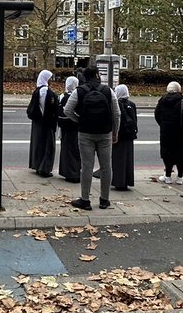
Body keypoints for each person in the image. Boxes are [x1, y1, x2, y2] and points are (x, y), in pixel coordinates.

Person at [63, 65, 119, 210]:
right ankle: (104, 200)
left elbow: (67, 110)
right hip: (105, 133)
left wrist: (78, 120)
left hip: (85, 133)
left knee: (86, 167)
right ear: (97, 75)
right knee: (106, 167)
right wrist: (115, 131)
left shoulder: (79, 91)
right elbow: (117, 113)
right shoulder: (108, 91)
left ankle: (85, 200)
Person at [155, 81, 183, 184]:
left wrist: (163, 125)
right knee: (181, 154)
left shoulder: (162, 100)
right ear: (179, 90)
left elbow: (157, 115)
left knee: (167, 154)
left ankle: (167, 176)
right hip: (181, 133)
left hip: (166, 132)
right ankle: (180, 177)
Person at [26, 69, 59, 178]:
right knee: (47, 146)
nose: (51, 80)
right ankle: (44, 169)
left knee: (38, 144)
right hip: (46, 123)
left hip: (37, 123)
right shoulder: (46, 91)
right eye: (50, 78)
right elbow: (47, 109)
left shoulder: (37, 90)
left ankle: (37, 165)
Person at [110, 83, 137, 190]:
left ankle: (119, 181)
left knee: (118, 159)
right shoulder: (132, 104)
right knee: (128, 159)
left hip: (119, 135)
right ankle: (127, 180)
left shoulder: (117, 104)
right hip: (130, 135)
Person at [57, 75, 82, 182]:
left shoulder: (63, 96)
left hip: (66, 128)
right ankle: (75, 172)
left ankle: (69, 173)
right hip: (76, 128)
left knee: (67, 151)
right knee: (75, 151)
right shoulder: (78, 96)